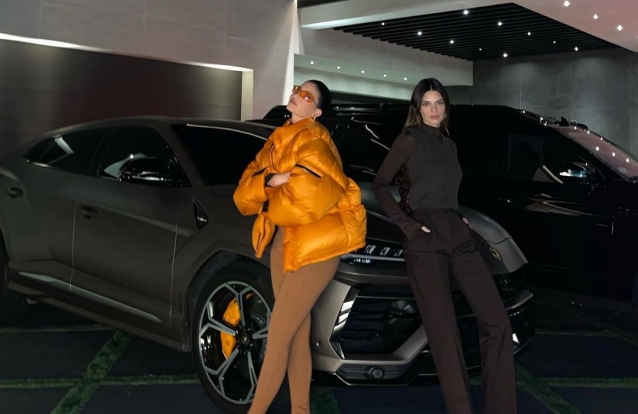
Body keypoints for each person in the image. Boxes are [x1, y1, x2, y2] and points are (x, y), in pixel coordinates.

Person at [371, 78, 516, 414]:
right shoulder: (409, 139)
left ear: (446, 107)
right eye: (426, 104)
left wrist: (458, 216)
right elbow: (380, 185)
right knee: (445, 334)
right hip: (425, 240)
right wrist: (408, 225)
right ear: (417, 108)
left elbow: (443, 190)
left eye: (438, 103)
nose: (433, 110)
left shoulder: (449, 145)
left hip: (457, 235)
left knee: (497, 322)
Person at [233, 80, 367, 414]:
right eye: (297, 90)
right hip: (284, 244)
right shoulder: (277, 139)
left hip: (317, 248)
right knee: (294, 334)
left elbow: (306, 203)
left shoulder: (316, 140)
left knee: (279, 333)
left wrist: (269, 191)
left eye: (306, 96)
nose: (297, 95)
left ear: (317, 112)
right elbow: (242, 195)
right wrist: (272, 180)